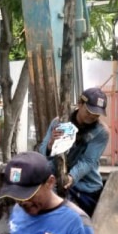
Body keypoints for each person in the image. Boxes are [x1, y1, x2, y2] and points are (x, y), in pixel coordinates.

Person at [36, 87, 109, 216]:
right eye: (89, 111)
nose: (92, 116)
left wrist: (71, 177)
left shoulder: (101, 132)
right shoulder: (59, 122)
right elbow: (42, 154)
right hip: (55, 180)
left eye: (96, 114)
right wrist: (51, 143)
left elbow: (88, 161)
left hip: (85, 185)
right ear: (80, 104)